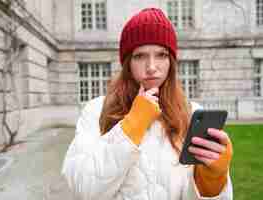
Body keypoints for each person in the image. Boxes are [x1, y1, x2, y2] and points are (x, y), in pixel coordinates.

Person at [62, 7, 233, 200]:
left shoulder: (192, 113)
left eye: (161, 55)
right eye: (140, 56)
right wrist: (132, 125)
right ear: (127, 63)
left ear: (171, 62)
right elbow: (83, 189)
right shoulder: (96, 110)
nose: (152, 67)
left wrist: (212, 179)